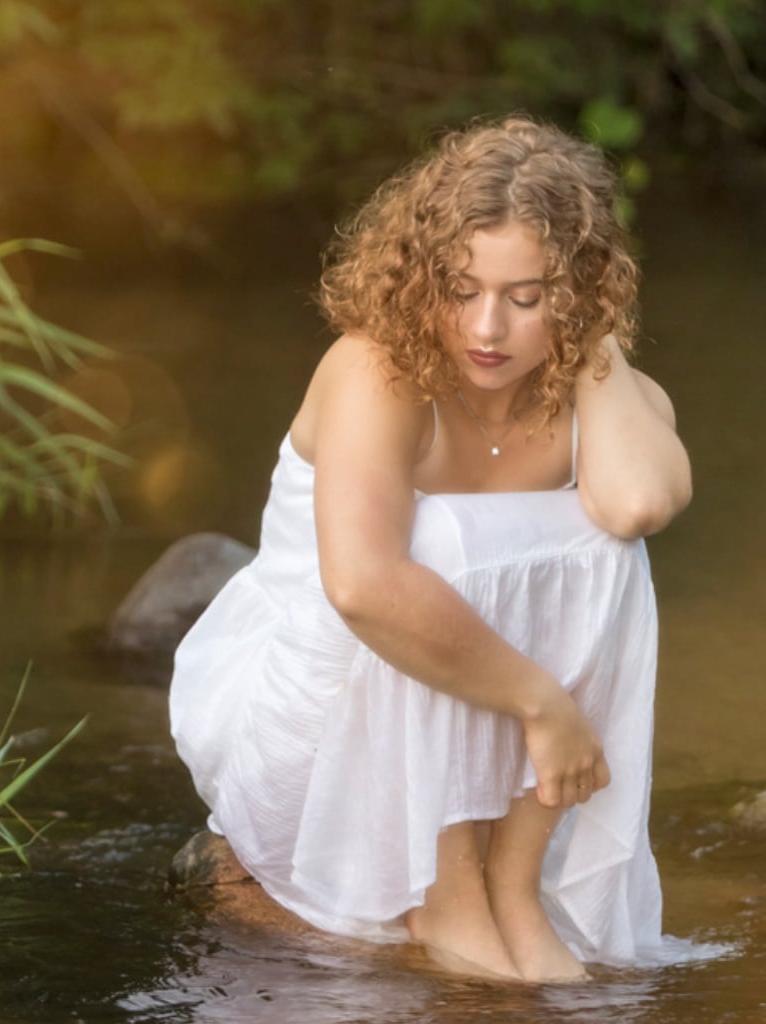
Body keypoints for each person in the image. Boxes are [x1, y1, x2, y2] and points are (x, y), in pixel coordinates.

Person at [169, 115, 692, 983]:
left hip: (477, 728)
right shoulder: (374, 370)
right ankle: (448, 897)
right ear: (422, 278)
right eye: (460, 288)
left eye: (526, 298)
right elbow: (365, 587)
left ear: (576, 293)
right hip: (320, 721)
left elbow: (638, 503)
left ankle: (513, 888)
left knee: (606, 541)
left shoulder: (586, 375)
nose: (487, 328)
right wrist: (541, 705)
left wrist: (593, 340)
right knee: (435, 544)